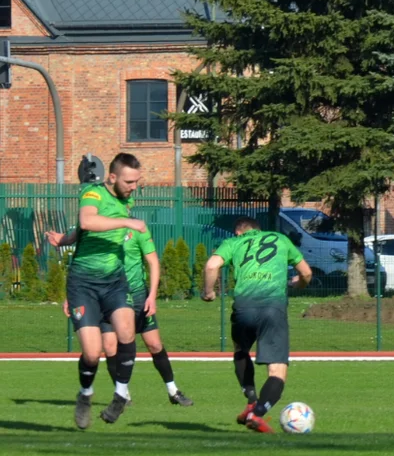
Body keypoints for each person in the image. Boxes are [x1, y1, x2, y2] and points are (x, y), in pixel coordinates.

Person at [47, 226, 193, 407]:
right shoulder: (96, 227)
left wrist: (152, 296)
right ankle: (123, 395)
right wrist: (73, 296)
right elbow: (82, 262)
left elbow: (153, 262)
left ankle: (173, 391)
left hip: (137, 295)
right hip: (108, 295)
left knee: (154, 344)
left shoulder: (137, 229)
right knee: (109, 347)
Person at [202, 217, 311, 433]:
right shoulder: (280, 239)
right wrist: (299, 284)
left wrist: (208, 291)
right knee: (277, 370)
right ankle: (257, 412)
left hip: (243, 307)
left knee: (240, 350)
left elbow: (211, 265)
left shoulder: (234, 243)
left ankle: (251, 399)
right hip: (273, 308)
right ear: (258, 230)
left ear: (239, 232)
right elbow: (306, 272)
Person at [64, 153, 150, 429]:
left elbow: (80, 231)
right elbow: (87, 222)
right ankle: (85, 394)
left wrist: (66, 238)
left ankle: (121, 395)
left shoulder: (127, 199)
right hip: (83, 283)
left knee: (126, 333)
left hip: (114, 281)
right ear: (112, 177)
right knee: (92, 353)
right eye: (129, 181)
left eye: (137, 181)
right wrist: (127, 222)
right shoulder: (93, 193)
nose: (133, 186)